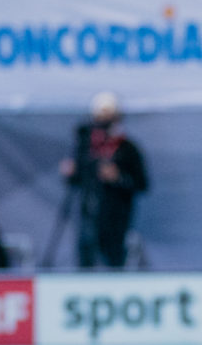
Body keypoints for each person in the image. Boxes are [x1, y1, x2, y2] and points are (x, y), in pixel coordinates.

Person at [59, 92, 149, 269]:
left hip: (116, 217)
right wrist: (71, 173)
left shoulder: (126, 148)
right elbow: (77, 182)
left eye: (108, 116)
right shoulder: (86, 147)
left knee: (113, 258)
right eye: (100, 116)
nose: (103, 122)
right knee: (86, 257)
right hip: (88, 214)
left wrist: (118, 178)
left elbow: (142, 184)